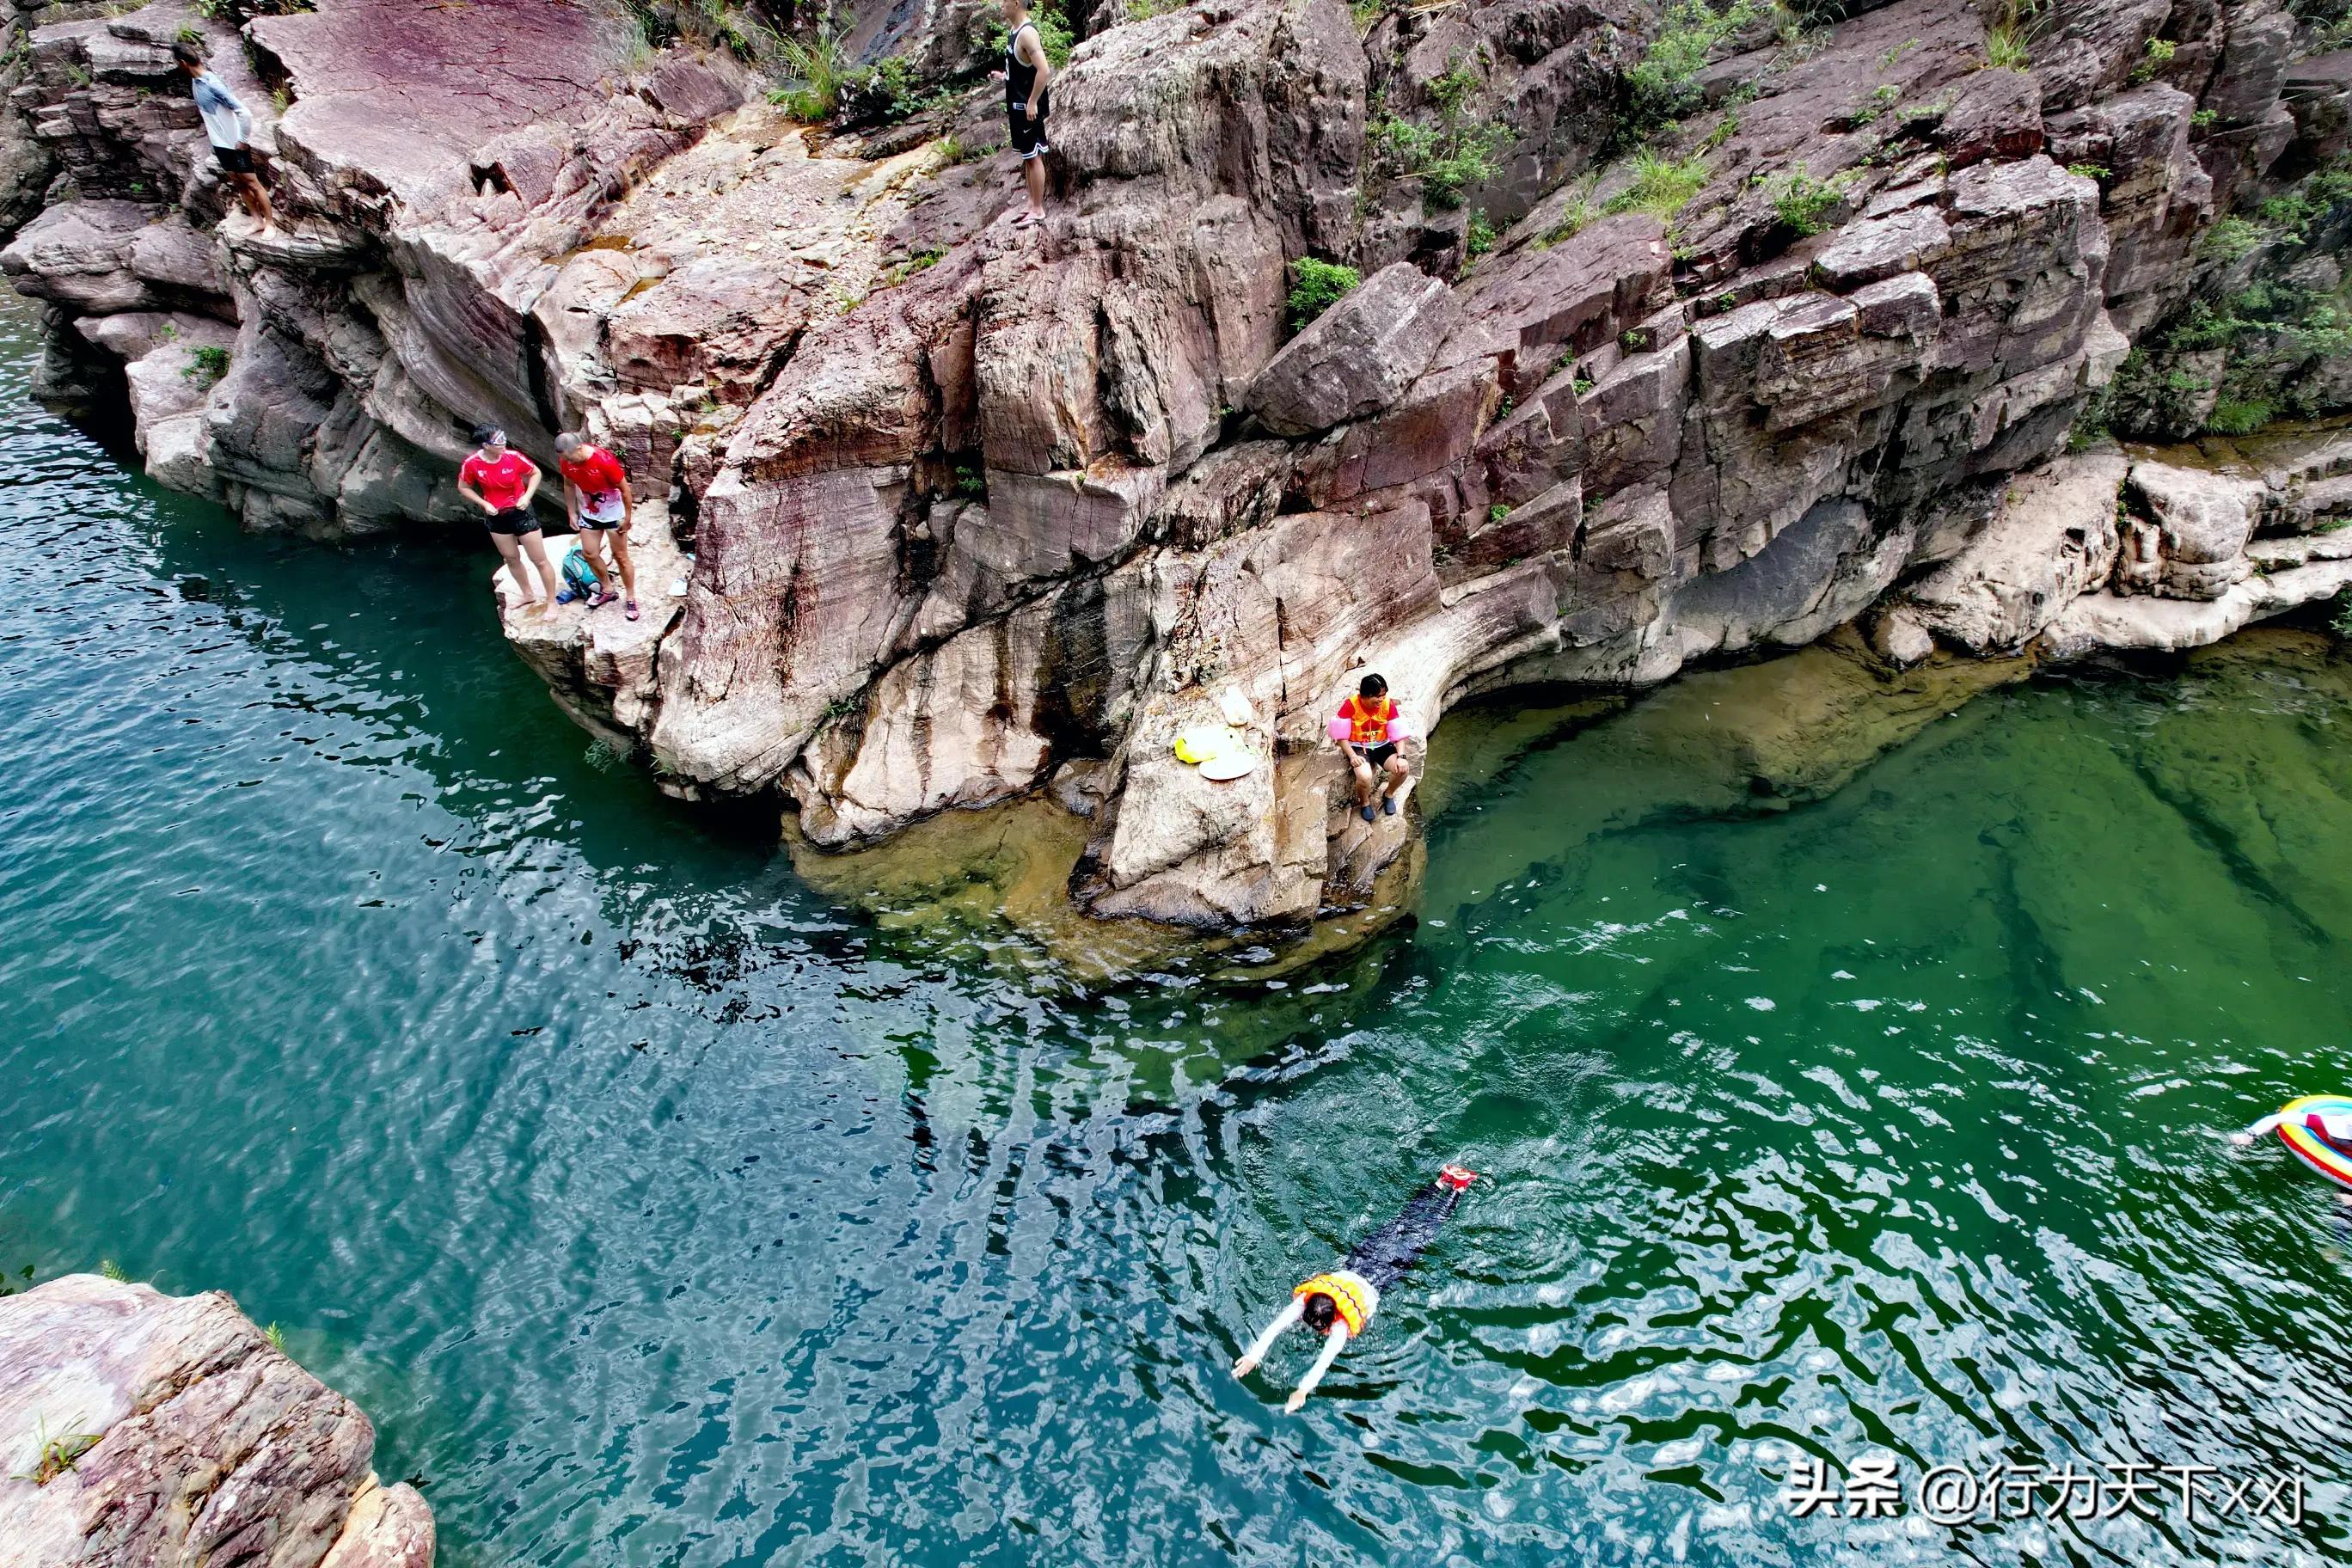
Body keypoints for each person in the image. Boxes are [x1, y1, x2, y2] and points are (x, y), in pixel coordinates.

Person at [1233, 1164, 1478, 1412]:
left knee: (1423, 1231)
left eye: (1319, 1327)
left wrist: (1303, 1389)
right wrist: (1255, 1356)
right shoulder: (1307, 1301)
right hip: (1363, 1261)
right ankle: (1442, 1182)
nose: (1314, 1329)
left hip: (1380, 1273)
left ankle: (1457, 1187)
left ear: (1332, 1319)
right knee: (1404, 1222)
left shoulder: (1339, 1327)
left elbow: (1324, 1361)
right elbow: (1277, 1326)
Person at [171, 40, 277, 231]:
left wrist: (243, 141)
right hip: (220, 145)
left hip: (236, 145)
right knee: (238, 183)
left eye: (177, 63)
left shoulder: (212, 84)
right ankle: (257, 221)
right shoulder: (196, 81)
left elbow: (244, 112)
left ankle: (270, 223)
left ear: (183, 63)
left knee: (253, 183)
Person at [456, 424, 560, 615]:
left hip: (522, 512)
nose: (504, 443)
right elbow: (463, 486)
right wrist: (484, 504)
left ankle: (552, 601)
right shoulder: (472, 464)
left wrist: (527, 496)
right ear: (486, 446)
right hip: (497, 516)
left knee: (539, 559)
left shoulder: (512, 457)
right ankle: (528, 594)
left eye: (504, 437)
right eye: (498, 441)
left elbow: (535, 472)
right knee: (511, 558)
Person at [554, 431, 640, 621]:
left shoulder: (603, 461)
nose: (569, 462)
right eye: (564, 459)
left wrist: (627, 518)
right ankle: (607, 589)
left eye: (570, 458)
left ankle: (631, 597)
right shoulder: (567, 461)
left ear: (579, 447)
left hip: (613, 513)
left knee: (620, 556)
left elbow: (625, 490)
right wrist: (571, 511)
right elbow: (568, 485)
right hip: (590, 512)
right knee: (590, 554)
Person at [989, 0, 1053, 229]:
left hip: (1026, 109)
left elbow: (1044, 70)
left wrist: (1032, 102)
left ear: (1016, 3)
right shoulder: (1014, 31)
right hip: (1017, 105)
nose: (1000, 4)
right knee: (1028, 156)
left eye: (1004, 1)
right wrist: (1004, 77)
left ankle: (1038, 209)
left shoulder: (1027, 34)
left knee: (1034, 156)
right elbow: (1021, 68)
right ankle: (1031, 203)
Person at [1335, 672, 1411, 824]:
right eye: (1377, 696)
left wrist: (1401, 756)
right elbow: (1340, 736)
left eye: (1383, 694)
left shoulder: (1387, 705)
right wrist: (1352, 755)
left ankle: (1388, 794)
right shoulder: (1350, 705)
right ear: (1364, 696)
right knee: (1364, 776)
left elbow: (1399, 733)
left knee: (1403, 769)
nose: (1381, 699)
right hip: (1358, 747)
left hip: (1382, 745)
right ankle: (1365, 803)